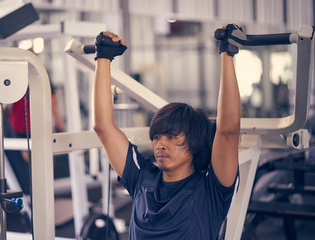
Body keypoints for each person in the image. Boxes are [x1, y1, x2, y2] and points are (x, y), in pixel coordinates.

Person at [92, 24, 244, 239]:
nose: (161, 144)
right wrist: (103, 57)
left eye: (172, 137)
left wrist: (227, 52)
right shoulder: (141, 179)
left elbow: (228, 131)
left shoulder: (211, 191)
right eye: (156, 137)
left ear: (194, 142)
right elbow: (103, 128)